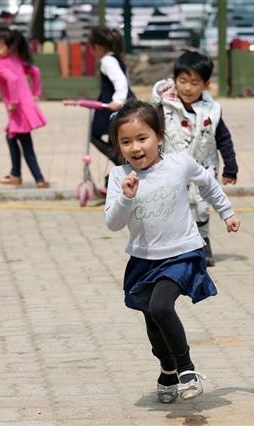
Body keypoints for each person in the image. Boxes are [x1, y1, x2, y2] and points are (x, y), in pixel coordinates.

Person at [104, 99, 241, 403]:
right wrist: (126, 197)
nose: (135, 147)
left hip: (182, 253)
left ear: (159, 137)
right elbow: (112, 224)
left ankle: (186, 369)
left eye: (143, 138)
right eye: (126, 142)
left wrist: (227, 212)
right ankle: (167, 368)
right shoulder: (119, 177)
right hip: (143, 259)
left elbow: (208, 183)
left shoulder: (179, 164)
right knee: (151, 319)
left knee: (161, 307)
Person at [152, 50, 238, 266]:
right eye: (182, 81)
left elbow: (224, 138)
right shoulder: (164, 106)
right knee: (174, 206)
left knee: (200, 206)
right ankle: (174, 247)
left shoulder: (212, 111)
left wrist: (231, 167)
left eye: (194, 82)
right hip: (171, 167)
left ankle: (203, 241)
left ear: (206, 84)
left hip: (203, 167)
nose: (188, 88)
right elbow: (152, 134)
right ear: (174, 80)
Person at [0, 26, 50, 189]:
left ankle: (39, 179)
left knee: (26, 145)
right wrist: (35, 92)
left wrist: (13, 102)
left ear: (9, 47)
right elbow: (35, 71)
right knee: (11, 138)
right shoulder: (15, 60)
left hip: (18, 110)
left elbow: (13, 80)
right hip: (24, 107)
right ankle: (15, 174)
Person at [88, 25, 135, 168]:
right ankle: (120, 170)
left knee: (94, 135)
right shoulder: (116, 58)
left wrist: (118, 101)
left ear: (97, 47)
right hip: (122, 104)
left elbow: (120, 81)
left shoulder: (107, 61)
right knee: (114, 139)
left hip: (115, 106)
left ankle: (123, 164)